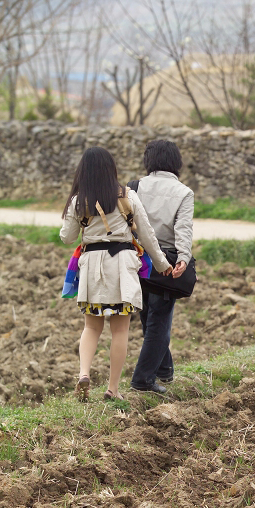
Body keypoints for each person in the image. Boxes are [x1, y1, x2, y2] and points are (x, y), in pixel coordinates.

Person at [60, 147, 172, 401]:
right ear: (112, 169)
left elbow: (67, 238)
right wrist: (163, 265)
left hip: (91, 267)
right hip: (121, 265)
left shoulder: (78, 201)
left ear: (83, 171)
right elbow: (146, 234)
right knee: (120, 330)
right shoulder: (127, 196)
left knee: (91, 326)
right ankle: (113, 389)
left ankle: (83, 374)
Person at [129, 139, 194, 394]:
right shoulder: (184, 193)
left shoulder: (133, 188)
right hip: (167, 263)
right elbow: (184, 229)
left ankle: (164, 370)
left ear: (149, 161)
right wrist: (183, 258)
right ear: (176, 163)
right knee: (159, 322)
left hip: (137, 260)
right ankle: (143, 380)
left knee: (148, 318)